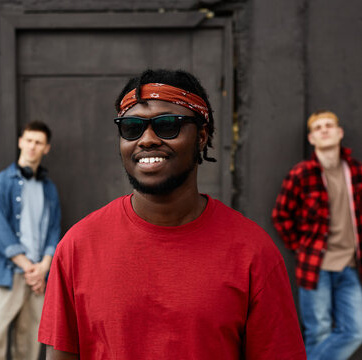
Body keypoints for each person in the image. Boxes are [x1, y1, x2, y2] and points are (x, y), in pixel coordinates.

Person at [38, 69, 306, 359]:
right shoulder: (77, 247)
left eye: (168, 125)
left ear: (202, 136)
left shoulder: (254, 253)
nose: (147, 139)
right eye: (131, 127)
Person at [272, 110, 362, 359]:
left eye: (329, 125)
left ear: (339, 132)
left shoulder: (355, 172)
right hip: (315, 265)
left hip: (350, 264)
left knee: (355, 331)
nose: (324, 130)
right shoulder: (302, 174)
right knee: (318, 332)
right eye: (318, 127)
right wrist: (300, 247)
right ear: (312, 139)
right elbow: (281, 215)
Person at [0, 121, 61, 360]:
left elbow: (54, 230)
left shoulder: (49, 189)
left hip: (38, 281)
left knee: (29, 346)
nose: (32, 147)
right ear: (20, 142)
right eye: (29, 140)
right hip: (5, 275)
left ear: (46, 148)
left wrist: (43, 268)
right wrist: (29, 268)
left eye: (38, 142)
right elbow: (0, 231)